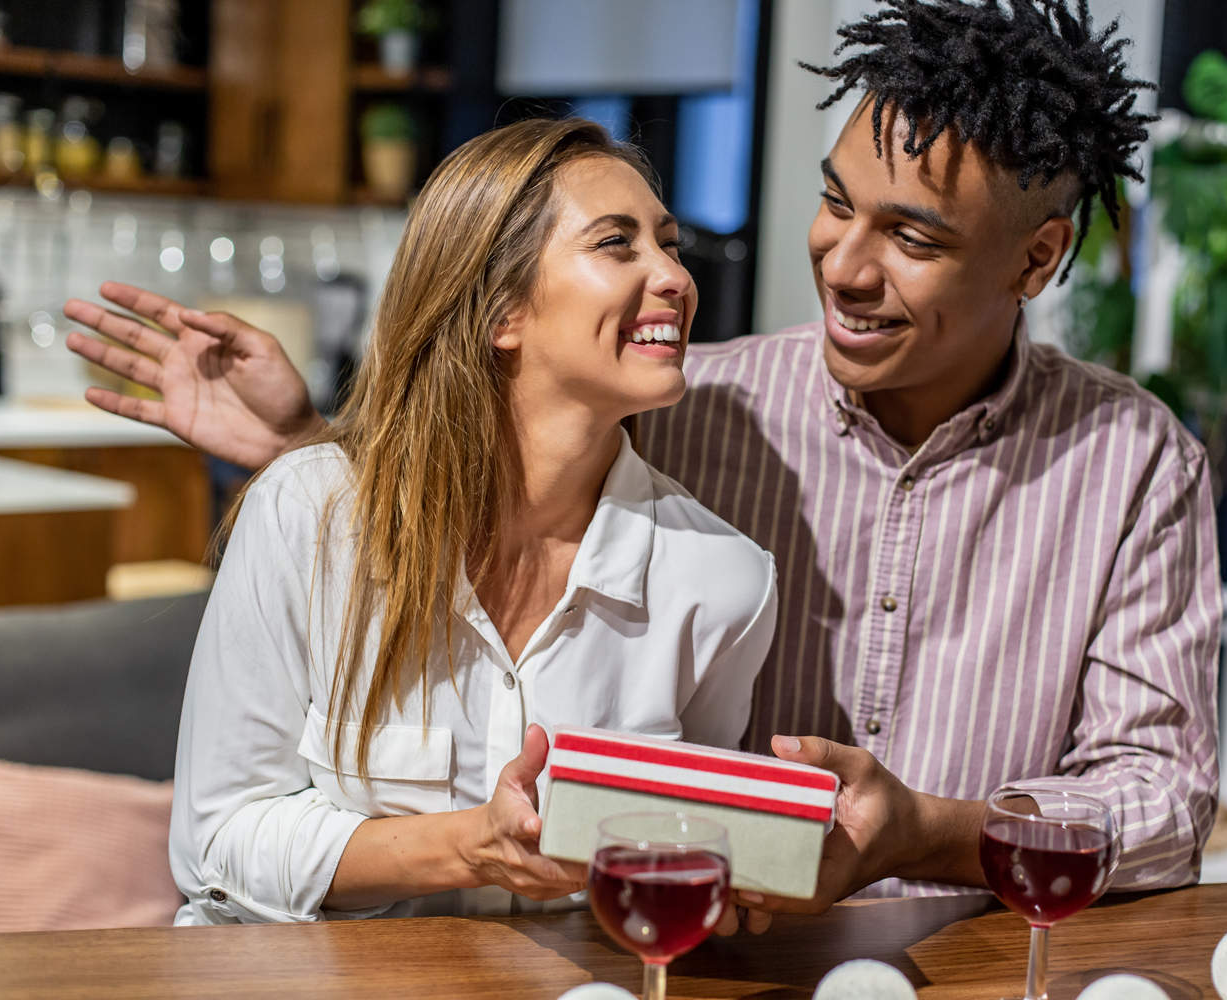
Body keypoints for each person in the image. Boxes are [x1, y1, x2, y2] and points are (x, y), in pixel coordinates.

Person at [66, 0, 1219, 928]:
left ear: (1038, 256)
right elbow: (494, 458)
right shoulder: (694, 396)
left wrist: (927, 830)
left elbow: (1162, 795)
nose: (844, 265)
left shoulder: (1136, 465)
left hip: (965, 944)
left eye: (912, 237)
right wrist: (309, 444)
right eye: (833, 204)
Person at [153, 118, 777, 924]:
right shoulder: (307, 511)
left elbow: (681, 859)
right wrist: (467, 846)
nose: (674, 278)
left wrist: (731, 885)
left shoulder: (723, 579)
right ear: (500, 313)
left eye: (670, 243)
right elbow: (216, 844)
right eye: (617, 244)